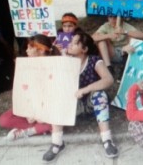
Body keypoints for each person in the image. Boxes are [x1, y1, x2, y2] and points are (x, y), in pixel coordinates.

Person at [42, 31, 118, 162]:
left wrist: (86, 89)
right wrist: (61, 58)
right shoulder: (67, 61)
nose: (70, 45)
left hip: (91, 103)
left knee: (99, 95)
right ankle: (57, 143)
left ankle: (107, 140)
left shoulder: (94, 61)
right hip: (72, 105)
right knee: (56, 98)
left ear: (84, 49)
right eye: (71, 42)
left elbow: (108, 80)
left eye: (75, 43)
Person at [0, 34, 60, 141]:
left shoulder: (55, 67)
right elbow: (23, 92)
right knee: (4, 120)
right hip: (30, 107)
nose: (26, 51)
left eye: (30, 48)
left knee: (55, 123)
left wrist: (38, 114)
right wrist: (27, 112)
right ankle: (37, 129)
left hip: (48, 109)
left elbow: (54, 95)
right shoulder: (26, 67)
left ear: (41, 50)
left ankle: (28, 131)